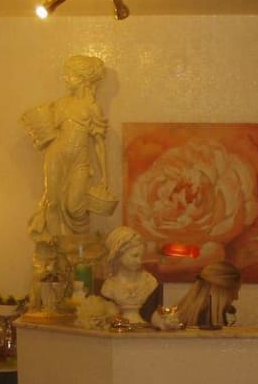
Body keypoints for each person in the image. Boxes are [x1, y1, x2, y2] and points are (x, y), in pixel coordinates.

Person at [23, 55, 112, 244]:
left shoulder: (92, 108)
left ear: (82, 78)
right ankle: (56, 247)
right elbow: (46, 133)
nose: (65, 78)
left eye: (70, 75)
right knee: (53, 202)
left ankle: (79, 246)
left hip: (79, 161)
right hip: (56, 156)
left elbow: (99, 144)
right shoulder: (61, 104)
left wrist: (104, 175)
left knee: (75, 207)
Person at [100, 227, 160, 326]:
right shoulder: (109, 286)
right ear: (118, 255)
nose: (139, 261)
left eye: (141, 256)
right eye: (134, 255)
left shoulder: (150, 282)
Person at [177, 261, 241, 328]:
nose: (236, 297)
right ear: (221, 291)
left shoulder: (186, 314)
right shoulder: (208, 320)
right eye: (234, 292)